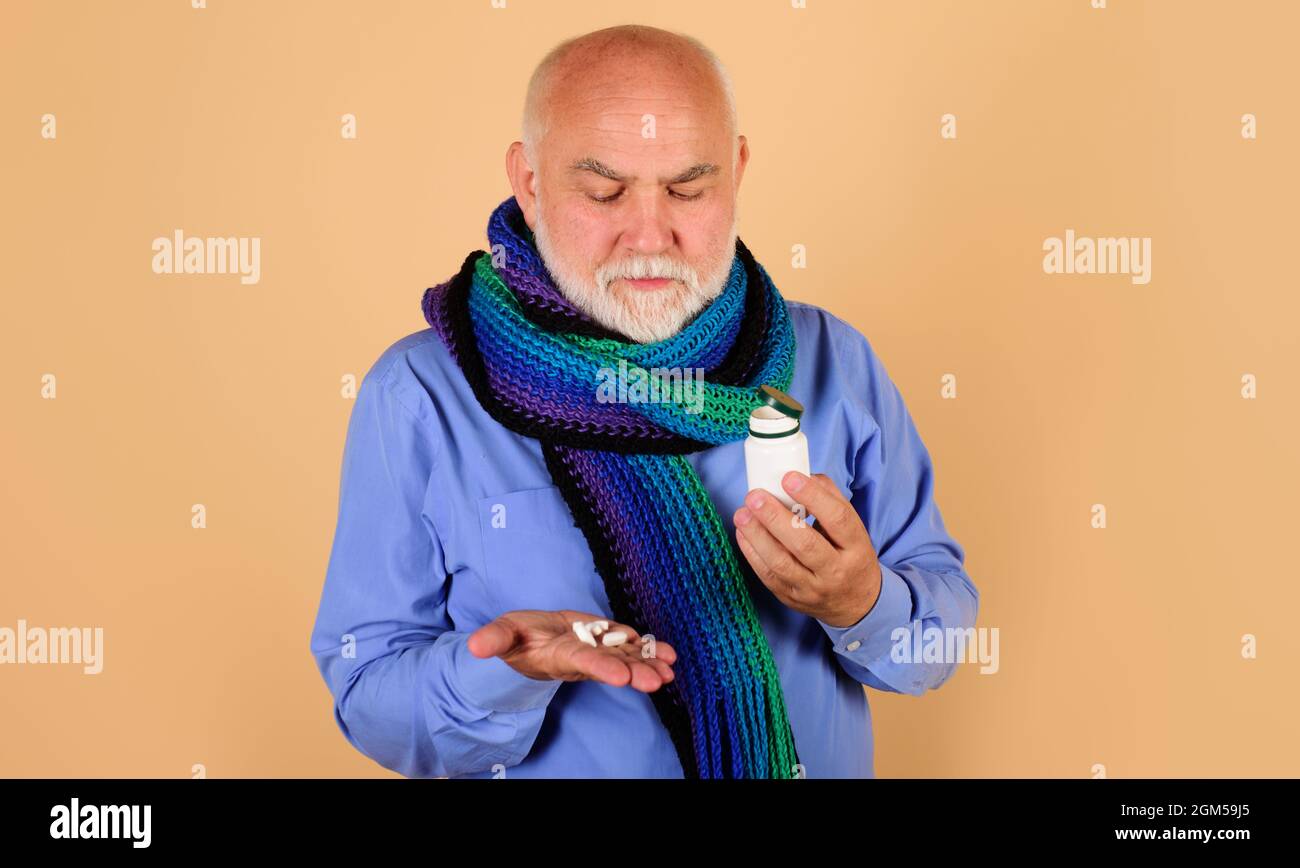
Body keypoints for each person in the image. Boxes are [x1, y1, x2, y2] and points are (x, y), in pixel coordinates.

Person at [309, 23, 978, 779]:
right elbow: (367, 694)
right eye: (604, 191)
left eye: (690, 188)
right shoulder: (420, 396)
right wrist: (501, 675)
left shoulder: (833, 361)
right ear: (528, 182)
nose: (649, 234)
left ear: (739, 169)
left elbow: (943, 637)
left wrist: (866, 604)